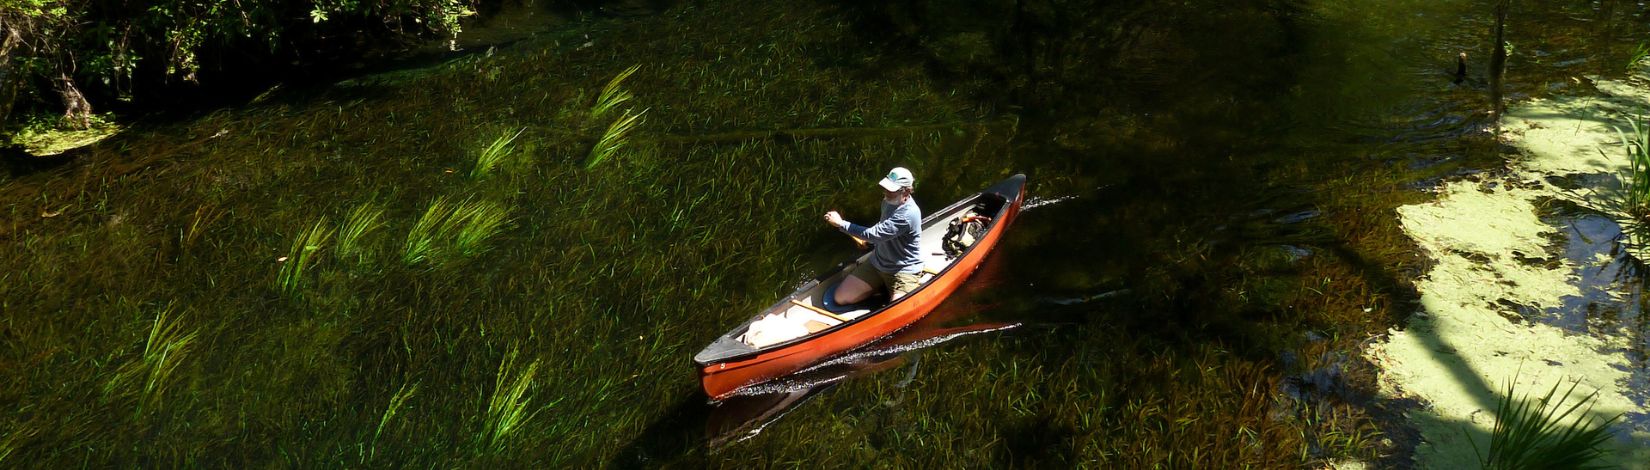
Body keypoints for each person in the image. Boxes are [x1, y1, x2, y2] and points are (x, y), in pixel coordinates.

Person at [823, 167, 923, 305]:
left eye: (891, 190)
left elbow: (875, 234)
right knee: (840, 298)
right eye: (886, 188)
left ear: (905, 191)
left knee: (897, 309)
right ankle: (881, 288)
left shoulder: (907, 215)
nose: (886, 192)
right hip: (878, 262)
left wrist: (841, 223)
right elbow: (882, 228)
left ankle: (894, 290)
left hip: (902, 271)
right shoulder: (888, 201)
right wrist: (869, 240)